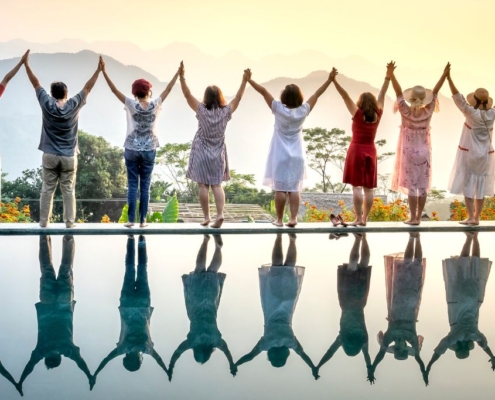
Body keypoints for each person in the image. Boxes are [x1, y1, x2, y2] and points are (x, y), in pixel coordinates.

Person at [247, 70, 336, 227]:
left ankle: (280, 220)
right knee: (295, 189)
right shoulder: (303, 111)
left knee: (280, 189)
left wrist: (249, 80)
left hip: (279, 155)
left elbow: (263, 91)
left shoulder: (278, 108)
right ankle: (293, 218)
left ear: (284, 98)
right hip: (297, 157)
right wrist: (329, 80)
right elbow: (317, 94)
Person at [100, 56, 181, 228]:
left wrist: (104, 72)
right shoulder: (156, 104)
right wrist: (178, 74)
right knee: (145, 186)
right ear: (149, 92)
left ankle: (131, 220)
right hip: (149, 148)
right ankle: (143, 220)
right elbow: (168, 89)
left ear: (134, 93)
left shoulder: (130, 104)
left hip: (131, 147)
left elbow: (114, 90)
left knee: (132, 185)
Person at [24, 52, 101, 228]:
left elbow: (36, 83)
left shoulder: (47, 103)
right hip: (69, 157)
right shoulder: (74, 104)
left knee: (47, 190)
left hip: (49, 154)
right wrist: (98, 71)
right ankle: (69, 223)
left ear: (51, 93)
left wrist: (26, 65)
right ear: (66, 93)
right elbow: (87, 88)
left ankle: (44, 223)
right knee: (68, 190)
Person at [235, 234, 318, 378]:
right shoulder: (266, 344)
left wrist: (313, 367)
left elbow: (303, 355)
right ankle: (279, 237)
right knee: (276, 265)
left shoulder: (291, 343)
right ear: (271, 356)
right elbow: (250, 356)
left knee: (289, 266)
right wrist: (235, 365)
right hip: (271, 299)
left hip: (288, 299)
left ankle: (292, 240)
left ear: (285, 355)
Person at [18, 235, 94, 394]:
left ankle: (68, 236)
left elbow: (80, 362)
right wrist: (20, 381)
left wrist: (89, 375)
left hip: (64, 302)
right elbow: (30, 365)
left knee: (66, 267)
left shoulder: (66, 349)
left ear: (59, 357)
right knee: (46, 266)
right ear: (47, 358)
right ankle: (44, 235)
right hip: (47, 301)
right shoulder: (42, 350)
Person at [179, 62, 250, 228]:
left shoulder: (201, 110)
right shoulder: (226, 112)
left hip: (201, 152)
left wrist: (182, 76)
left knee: (202, 184)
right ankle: (220, 214)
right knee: (216, 184)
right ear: (220, 97)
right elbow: (238, 98)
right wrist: (244, 81)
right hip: (218, 153)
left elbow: (187, 94)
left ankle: (206, 217)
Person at [93, 235, 168, 382]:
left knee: (142, 269)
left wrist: (167, 370)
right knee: (129, 269)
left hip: (143, 303)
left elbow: (159, 360)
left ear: (139, 360)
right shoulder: (123, 349)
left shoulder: (146, 349)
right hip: (127, 303)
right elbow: (107, 359)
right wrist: (94, 374)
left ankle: (141, 240)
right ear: (126, 359)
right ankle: (131, 239)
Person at [425, 232, 495, 381]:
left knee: (474, 265)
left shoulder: (475, 334)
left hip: (473, 296)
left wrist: (493, 357)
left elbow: (485, 346)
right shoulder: (453, 336)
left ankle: (475, 237)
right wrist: (429, 367)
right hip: (457, 298)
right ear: (457, 347)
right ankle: (469, 238)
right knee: (461, 267)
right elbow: (439, 351)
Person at [332, 63, 393, 226]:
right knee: (368, 189)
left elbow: (345, 97)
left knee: (357, 187)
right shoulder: (378, 114)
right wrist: (388, 76)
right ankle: (364, 219)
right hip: (371, 151)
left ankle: (358, 218)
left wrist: (334, 81)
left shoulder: (357, 114)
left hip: (356, 150)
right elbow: (382, 94)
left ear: (360, 102)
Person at [168, 234, 237, 379]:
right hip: (196, 301)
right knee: (199, 269)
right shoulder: (192, 342)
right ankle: (206, 241)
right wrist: (171, 366)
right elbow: (177, 352)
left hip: (209, 300)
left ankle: (217, 247)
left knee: (212, 271)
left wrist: (231, 364)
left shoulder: (215, 342)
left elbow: (227, 352)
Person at [390, 63, 450, 225]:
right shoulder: (428, 111)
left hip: (408, 152)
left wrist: (391, 74)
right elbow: (436, 91)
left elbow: (397, 92)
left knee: (411, 186)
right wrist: (445, 75)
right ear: (425, 99)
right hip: (424, 152)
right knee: (422, 186)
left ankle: (412, 217)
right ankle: (418, 216)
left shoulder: (405, 110)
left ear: (410, 99)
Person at [370, 233, 427, 385]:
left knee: (405, 265)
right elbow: (418, 359)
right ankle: (417, 238)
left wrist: (373, 368)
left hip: (397, 302)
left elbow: (380, 354)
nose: (399, 348)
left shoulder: (389, 339)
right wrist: (424, 372)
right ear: (404, 349)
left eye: (397, 350)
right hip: (411, 303)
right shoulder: (412, 341)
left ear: (395, 349)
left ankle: (411, 238)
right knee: (417, 265)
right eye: (402, 351)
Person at [316, 233, 373, 383]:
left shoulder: (362, 338)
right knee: (352, 267)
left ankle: (364, 238)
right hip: (346, 301)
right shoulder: (342, 338)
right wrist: (318, 366)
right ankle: (358, 239)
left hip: (360, 301)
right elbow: (330, 352)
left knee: (363, 265)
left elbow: (366, 356)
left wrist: (370, 369)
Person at [446, 72, 495, 225]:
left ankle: (470, 217)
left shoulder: (470, 112)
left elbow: (457, 97)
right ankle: (477, 217)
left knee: (469, 183)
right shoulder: (492, 113)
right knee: (480, 185)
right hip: (486, 155)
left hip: (469, 154)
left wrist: (449, 78)